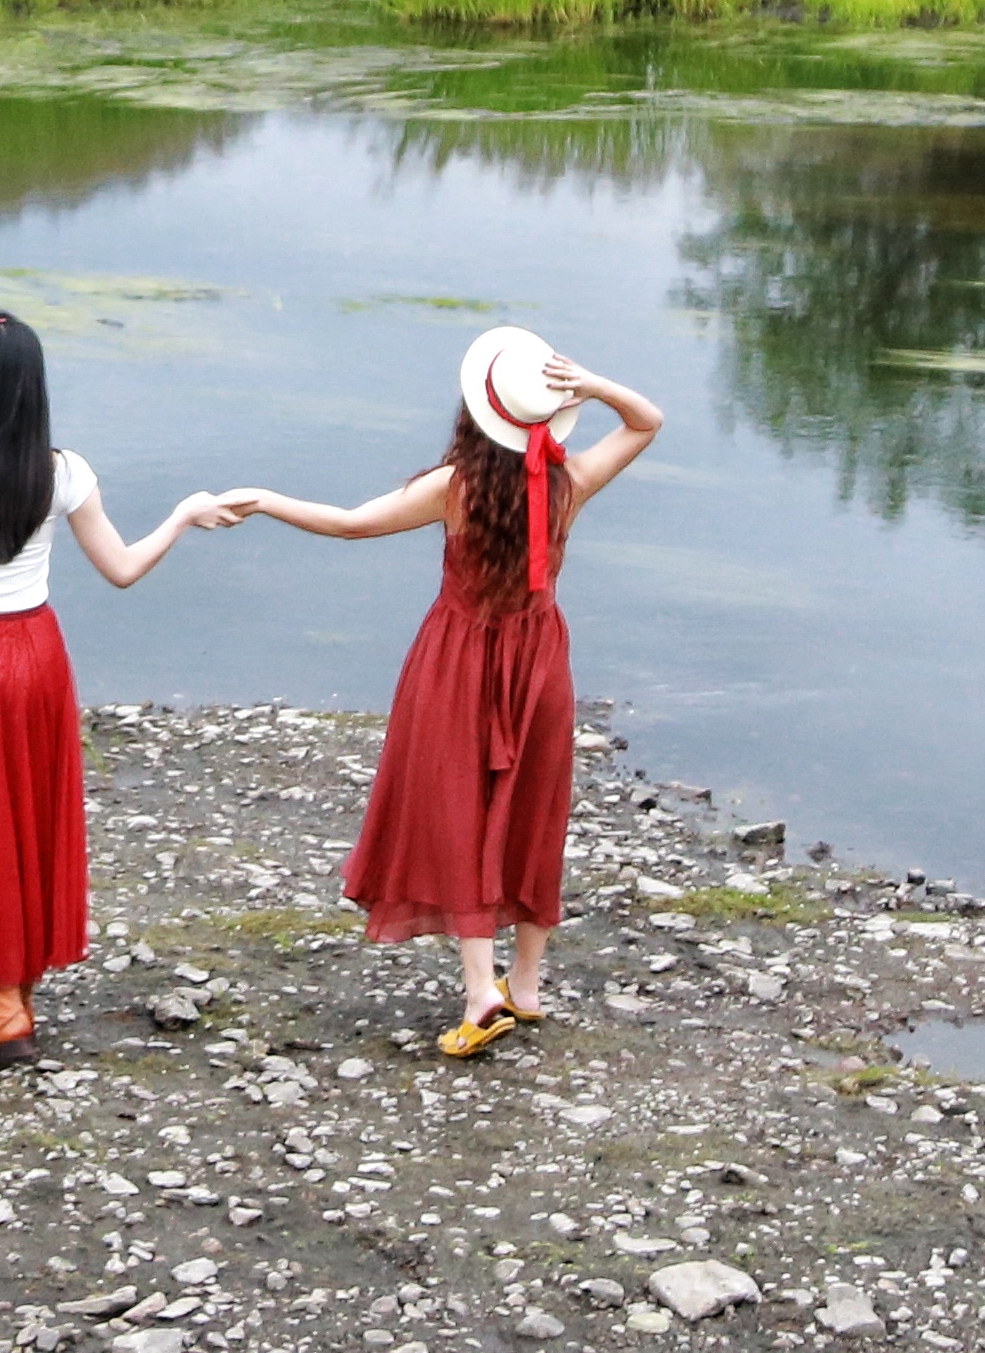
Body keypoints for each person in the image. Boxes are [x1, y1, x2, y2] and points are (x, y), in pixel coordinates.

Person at [213, 325, 666, 1055]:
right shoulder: (569, 482)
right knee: (532, 807)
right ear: (547, 415)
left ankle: (483, 991)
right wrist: (596, 385)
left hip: (460, 656)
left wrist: (265, 498)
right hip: (540, 658)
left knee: (462, 809)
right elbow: (649, 421)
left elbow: (351, 525)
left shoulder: (456, 489)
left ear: (475, 413)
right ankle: (526, 985)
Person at [0, 307, 229, 1065]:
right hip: (37, 656)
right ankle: (12, 993)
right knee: (28, 817)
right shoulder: (62, 472)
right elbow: (123, 569)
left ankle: (5, 1003)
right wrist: (180, 515)